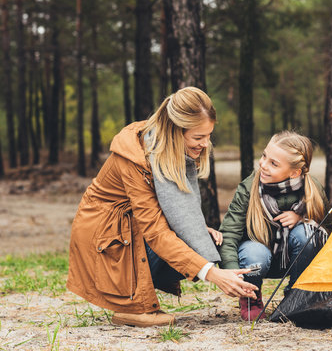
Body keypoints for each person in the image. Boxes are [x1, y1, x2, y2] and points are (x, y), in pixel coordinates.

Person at [67, 87, 257, 328]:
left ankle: (134, 299)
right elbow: (155, 231)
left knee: (197, 239)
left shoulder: (167, 149)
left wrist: (195, 230)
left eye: (209, 135)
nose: (206, 144)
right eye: (198, 137)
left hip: (127, 230)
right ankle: (132, 308)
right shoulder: (135, 158)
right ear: (175, 130)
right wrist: (213, 274)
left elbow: (168, 209)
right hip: (106, 241)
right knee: (185, 245)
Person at [218, 131, 332, 321]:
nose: (263, 165)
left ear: (295, 172)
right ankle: (251, 298)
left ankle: (295, 297)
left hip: (294, 260)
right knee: (255, 253)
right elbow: (229, 233)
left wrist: (302, 217)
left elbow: (330, 231)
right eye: (264, 156)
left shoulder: (312, 189)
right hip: (256, 260)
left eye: (274, 163)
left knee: (307, 233)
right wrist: (231, 272)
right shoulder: (250, 187)